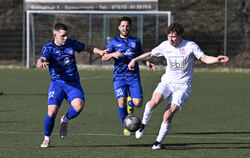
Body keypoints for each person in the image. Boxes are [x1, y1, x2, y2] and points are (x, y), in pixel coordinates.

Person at [128, 22, 229, 150]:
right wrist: (134, 60)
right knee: (153, 102)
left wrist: (216, 59)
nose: (171, 39)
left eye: (174, 36)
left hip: (182, 86)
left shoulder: (190, 46)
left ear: (180, 36)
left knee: (167, 115)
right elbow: (150, 54)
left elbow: (204, 58)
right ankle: (143, 124)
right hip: (167, 82)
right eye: (169, 36)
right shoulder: (165, 45)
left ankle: (158, 142)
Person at [37, 23, 108, 148]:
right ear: (55, 35)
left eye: (66, 35)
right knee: (52, 111)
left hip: (73, 84)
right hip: (57, 84)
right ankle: (46, 138)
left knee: (79, 106)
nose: (65, 38)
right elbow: (42, 58)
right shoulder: (48, 48)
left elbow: (87, 47)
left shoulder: (71, 43)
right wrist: (41, 62)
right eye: (63, 36)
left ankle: (65, 119)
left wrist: (100, 51)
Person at [102, 16, 155, 136]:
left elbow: (141, 55)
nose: (125, 28)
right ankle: (125, 126)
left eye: (127, 26)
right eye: (123, 26)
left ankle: (130, 102)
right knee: (121, 101)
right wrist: (113, 54)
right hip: (119, 77)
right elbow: (103, 57)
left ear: (130, 27)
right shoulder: (113, 42)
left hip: (133, 77)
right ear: (119, 27)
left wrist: (148, 63)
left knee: (138, 103)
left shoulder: (135, 41)